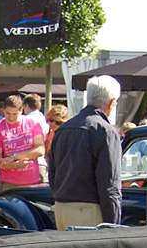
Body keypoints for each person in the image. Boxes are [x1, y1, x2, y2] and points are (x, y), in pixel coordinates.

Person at [48, 75, 123, 228]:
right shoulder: (105, 131)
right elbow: (109, 184)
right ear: (111, 103)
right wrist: (113, 224)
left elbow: (53, 173)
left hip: (61, 206)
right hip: (89, 209)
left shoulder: (63, 128)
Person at [0, 95, 44, 192]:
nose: (11, 117)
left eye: (15, 114)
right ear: (3, 110)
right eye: (8, 113)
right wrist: (16, 165)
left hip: (33, 182)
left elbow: (40, 150)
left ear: (21, 110)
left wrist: (14, 157)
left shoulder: (32, 123)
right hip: (9, 183)